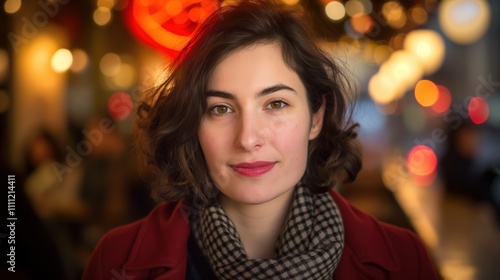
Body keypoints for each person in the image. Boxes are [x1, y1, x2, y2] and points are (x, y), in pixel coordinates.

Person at [83, 1, 439, 279]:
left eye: (276, 104)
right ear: (193, 123)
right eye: (221, 109)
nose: (248, 138)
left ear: (316, 117)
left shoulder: (403, 261)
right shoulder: (116, 261)